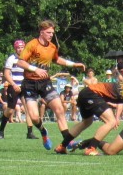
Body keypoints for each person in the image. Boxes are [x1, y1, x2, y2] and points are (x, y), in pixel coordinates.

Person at [17, 19, 85, 150]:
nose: (51, 35)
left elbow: (57, 59)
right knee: (34, 117)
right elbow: (20, 62)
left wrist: (73, 64)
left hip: (45, 83)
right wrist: (35, 69)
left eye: (52, 33)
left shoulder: (52, 47)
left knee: (59, 109)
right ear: (41, 32)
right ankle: (43, 131)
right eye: (48, 32)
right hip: (30, 84)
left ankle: (68, 141)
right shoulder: (32, 45)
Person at [0, 40, 38, 140]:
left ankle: (30, 132)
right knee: (10, 110)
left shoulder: (28, 58)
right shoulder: (11, 59)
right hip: (14, 86)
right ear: (15, 49)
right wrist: (13, 84)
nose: (20, 49)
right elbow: (6, 74)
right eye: (18, 47)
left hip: (25, 86)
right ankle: (1, 129)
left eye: (22, 47)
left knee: (28, 109)